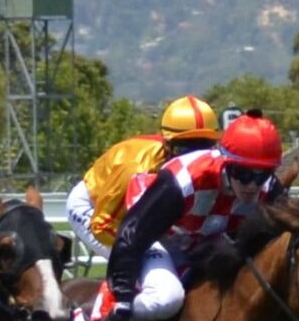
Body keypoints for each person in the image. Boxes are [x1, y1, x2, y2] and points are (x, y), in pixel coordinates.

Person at [73, 110, 282, 321]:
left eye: (261, 175)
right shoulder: (183, 180)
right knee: (167, 298)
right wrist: (124, 297)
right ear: (226, 162)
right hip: (157, 237)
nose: (252, 186)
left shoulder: (270, 188)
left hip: (204, 239)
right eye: (243, 174)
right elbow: (131, 235)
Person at [65, 95, 222, 260]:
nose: (194, 159)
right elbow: (103, 225)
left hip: (128, 209)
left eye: (204, 148)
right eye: (185, 150)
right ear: (167, 145)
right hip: (96, 208)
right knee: (147, 260)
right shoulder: (137, 169)